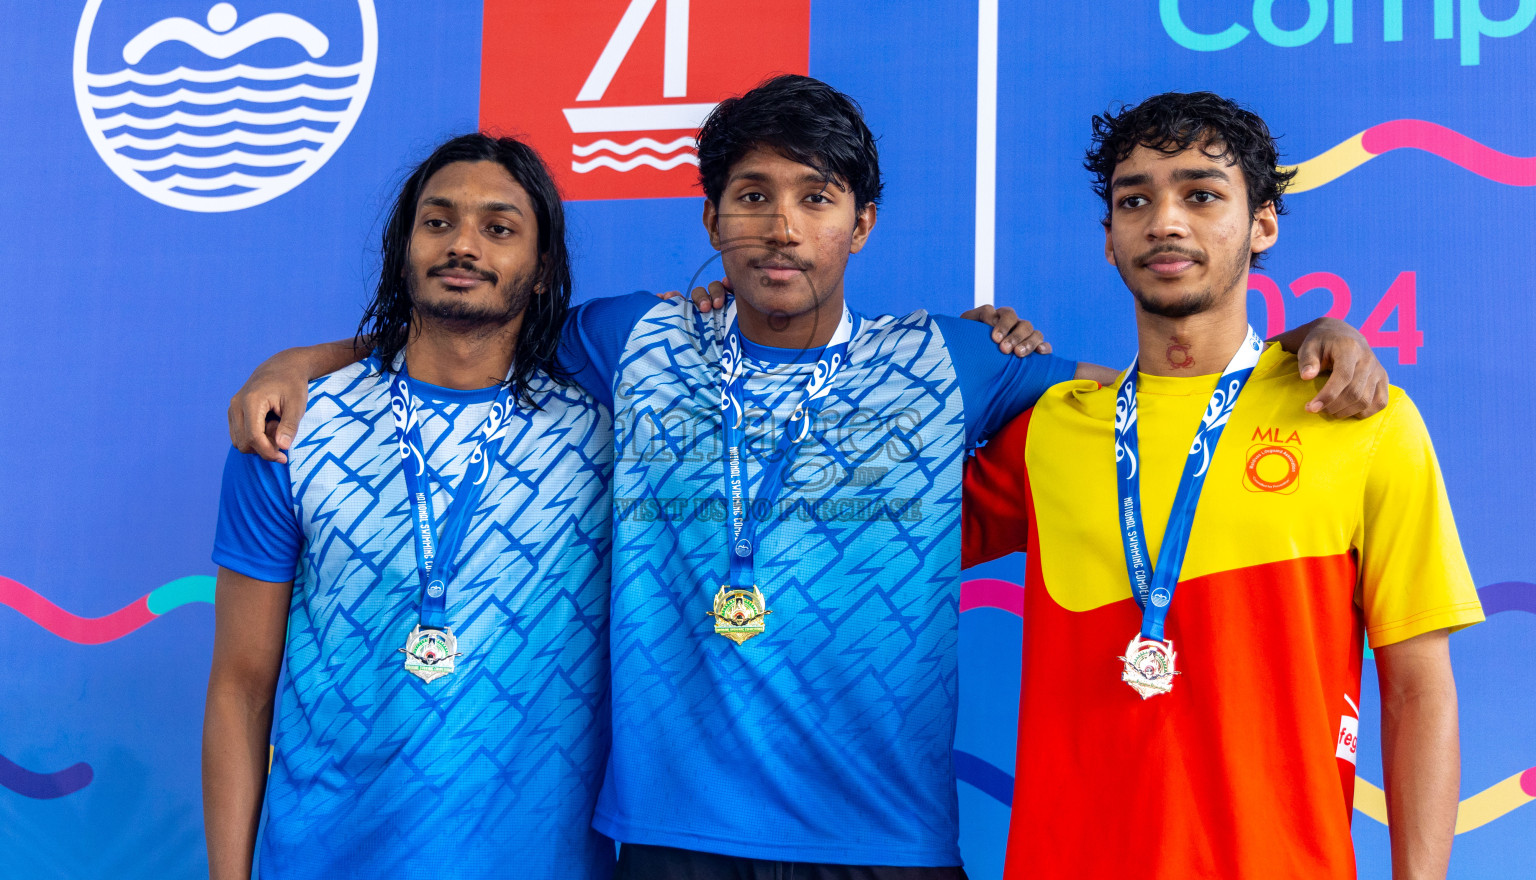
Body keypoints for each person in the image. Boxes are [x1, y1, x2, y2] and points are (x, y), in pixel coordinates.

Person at [227, 77, 1389, 878]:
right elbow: (476, 320)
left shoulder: (952, 358)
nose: (782, 227)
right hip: (672, 839)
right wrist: (308, 360)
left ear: (862, 223)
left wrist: (1309, 342)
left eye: (816, 198)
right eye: (754, 196)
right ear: (714, 217)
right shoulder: (633, 339)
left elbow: (1169, 383)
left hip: (883, 839)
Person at [962, 92, 1483, 880]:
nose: (1166, 220)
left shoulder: (1358, 415)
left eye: (1201, 194)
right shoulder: (1047, 431)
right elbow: (861, 529)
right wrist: (949, 378)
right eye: (1135, 199)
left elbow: (1418, 692)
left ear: (1263, 224)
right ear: (1109, 240)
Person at [202, 135, 616, 880]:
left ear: (544, 268)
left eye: (499, 228)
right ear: (403, 247)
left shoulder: (602, 433)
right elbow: (240, 686)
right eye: (438, 221)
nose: (463, 245)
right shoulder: (290, 431)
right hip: (322, 859)